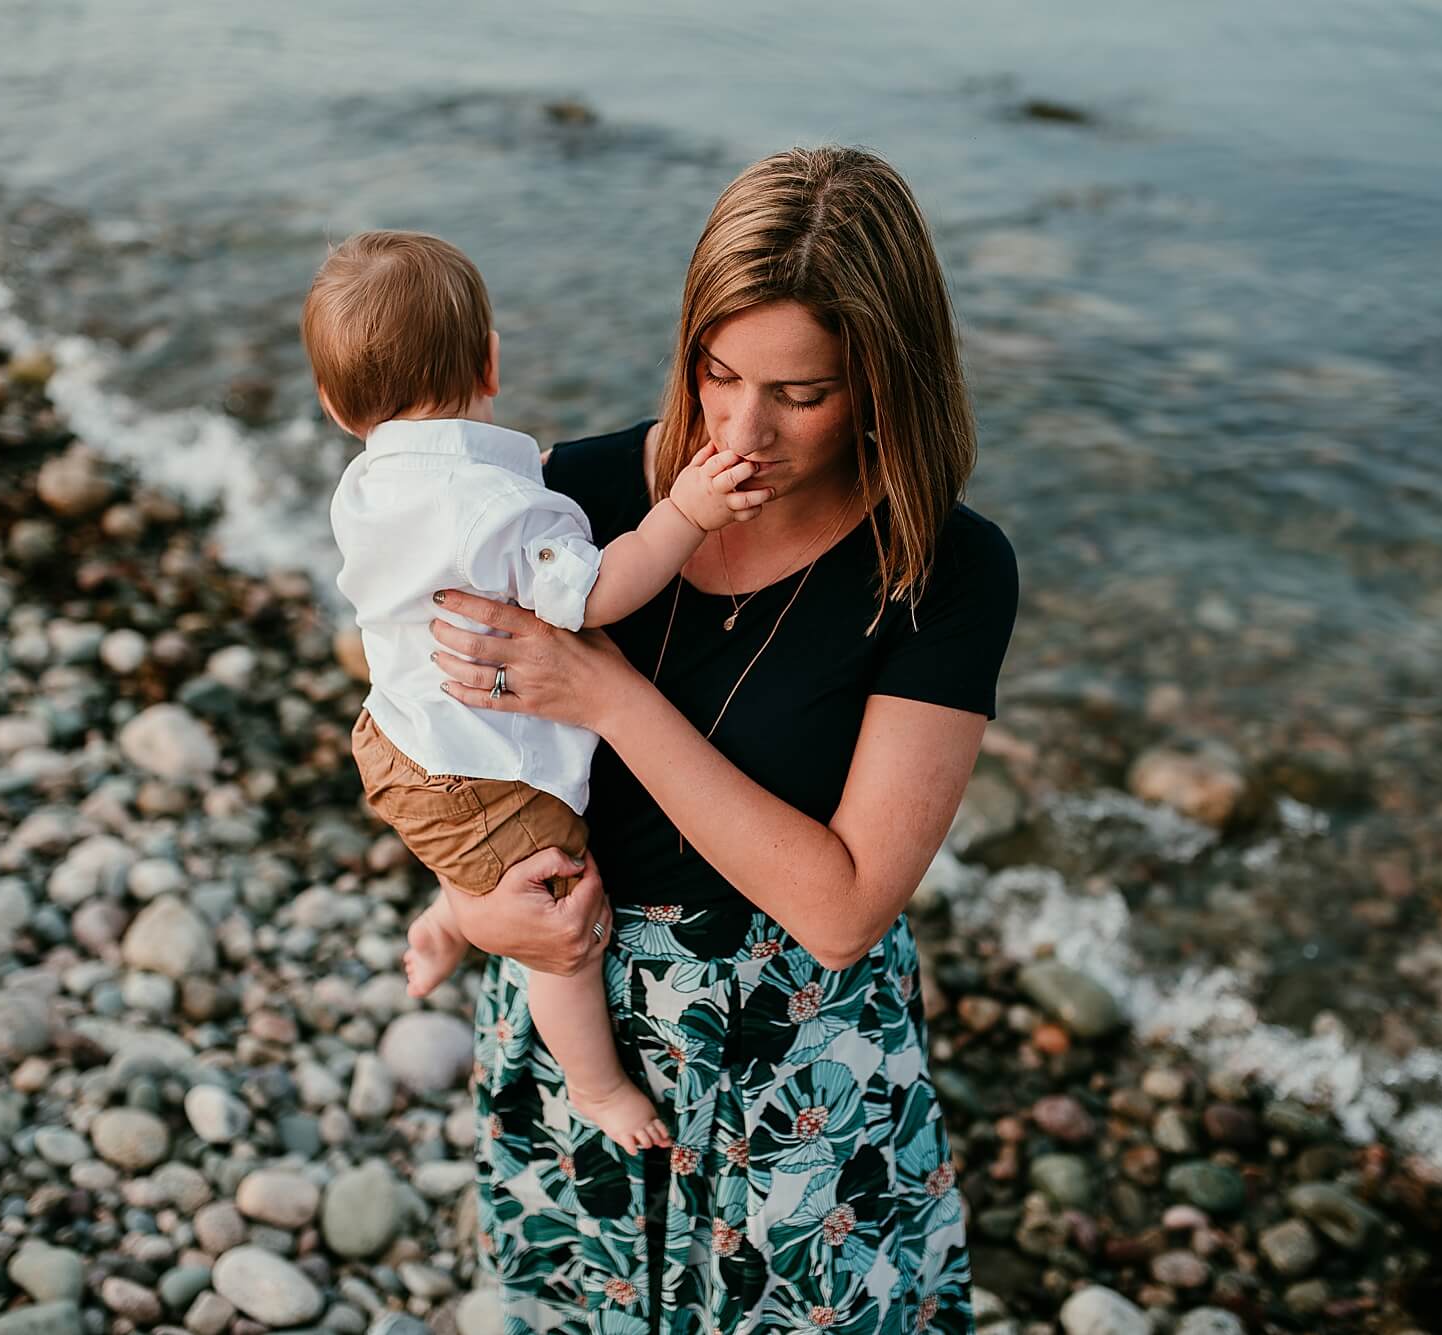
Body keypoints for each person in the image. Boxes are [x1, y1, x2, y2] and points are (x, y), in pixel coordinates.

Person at [422, 146, 1018, 1334]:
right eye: (718, 372)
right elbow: (439, 734)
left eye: (801, 394)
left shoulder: (942, 572)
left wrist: (610, 700)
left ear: (887, 383)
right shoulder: (566, 501)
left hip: (799, 1060)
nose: (741, 431)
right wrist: (464, 904)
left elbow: (843, 908)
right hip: (570, 1020)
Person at [304, 230, 773, 1154]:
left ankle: (446, 917)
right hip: (478, 774)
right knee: (563, 923)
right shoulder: (506, 505)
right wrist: (684, 513)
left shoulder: (364, 490)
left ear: (331, 403)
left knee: (485, 865)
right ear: (491, 360)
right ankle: (597, 1085)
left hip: (393, 738)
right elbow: (590, 591)